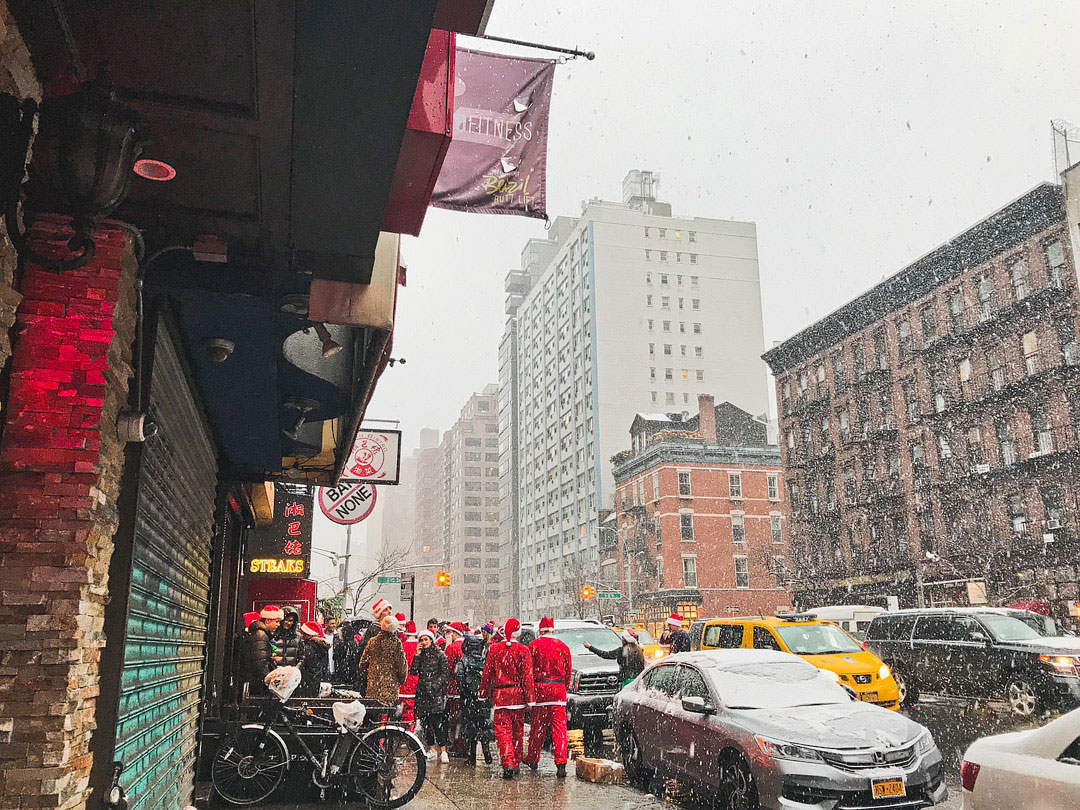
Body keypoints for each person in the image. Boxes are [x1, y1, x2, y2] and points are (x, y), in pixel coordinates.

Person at [479, 617, 534, 779]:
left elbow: (487, 674)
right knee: (517, 731)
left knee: (502, 732)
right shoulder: (524, 651)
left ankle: (507, 761)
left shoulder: (495, 650)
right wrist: (530, 699)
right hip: (518, 698)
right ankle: (515, 761)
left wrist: (483, 693)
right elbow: (527, 678)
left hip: (501, 697)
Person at [524, 617, 571, 777]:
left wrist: (529, 692)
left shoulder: (533, 646)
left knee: (537, 728)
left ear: (540, 630)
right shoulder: (563, 646)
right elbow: (568, 671)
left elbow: (528, 671)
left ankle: (533, 758)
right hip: (558, 690)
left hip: (539, 690)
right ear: (553, 629)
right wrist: (564, 686)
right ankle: (561, 763)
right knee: (559, 728)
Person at [410, 629, 450, 763]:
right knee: (426, 724)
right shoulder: (420, 655)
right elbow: (413, 671)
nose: (423, 642)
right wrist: (417, 655)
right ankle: (432, 749)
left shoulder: (440, 654)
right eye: (421, 640)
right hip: (422, 694)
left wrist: (435, 686)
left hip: (435, 695)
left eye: (426, 639)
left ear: (431, 640)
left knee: (437, 724)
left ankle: (443, 750)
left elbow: (445, 674)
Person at [456, 633, 494, 765]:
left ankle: (472, 756)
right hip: (483, 699)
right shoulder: (485, 660)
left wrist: (464, 696)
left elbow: (459, 681)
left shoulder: (463, 661)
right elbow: (491, 680)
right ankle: (486, 751)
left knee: (470, 726)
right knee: (484, 725)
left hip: (469, 699)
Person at [359, 613, 408, 709]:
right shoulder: (396, 643)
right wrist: (401, 679)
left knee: (374, 715)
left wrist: (371, 673)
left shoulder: (372, 641)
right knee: (388, 716)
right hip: (390, 688)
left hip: (373, 687)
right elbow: (401, 666)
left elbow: (362, 663)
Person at [241, 605, 283, 696]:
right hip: (257, 683)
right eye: (276, 621)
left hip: (254, 680)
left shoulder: (260, 633)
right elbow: (260, 662)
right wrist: (268, 680)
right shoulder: (260, 635)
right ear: (268, 620)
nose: (278, 625)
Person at [443, 622, 466, 755]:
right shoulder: (467, 645)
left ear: (454, 633)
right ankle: (462, 743)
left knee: (454, 717)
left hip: (453, 686)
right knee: (462, 717)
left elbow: (448, 667)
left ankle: (457, 744)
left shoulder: (452, 647)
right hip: (464, 687)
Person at [297, 621, 330, 697]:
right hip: (317, 678)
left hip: (308, 679)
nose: (302, 635)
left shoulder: (309, 646)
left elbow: (306, 662)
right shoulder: (321, 646)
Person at [399, 621, 420, 730]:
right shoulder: (419, 646)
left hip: (405, 682)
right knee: (414, 708)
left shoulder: (403, 645)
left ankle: (406, 730)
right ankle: (412, 728)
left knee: (405, 708)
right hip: (417, 681)